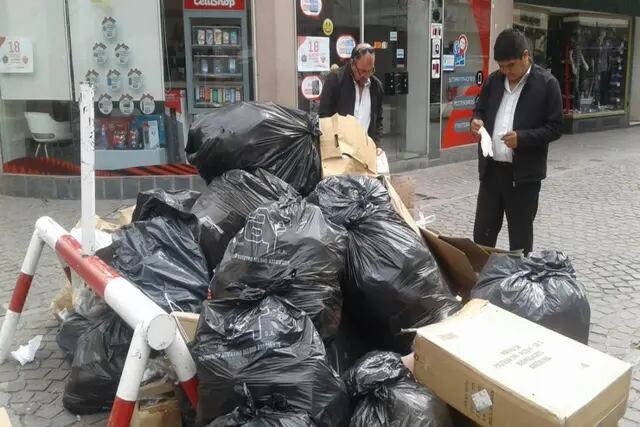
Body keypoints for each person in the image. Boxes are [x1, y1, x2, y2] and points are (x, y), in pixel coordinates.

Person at [471, 29, 562, 254]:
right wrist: (477, 121)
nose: (506, 71)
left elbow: (556, 127)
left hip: (523, 178)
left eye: (510, 65)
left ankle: (518, 284)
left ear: (525, 56)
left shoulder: (547, 84)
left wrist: (522, 139)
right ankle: (479, 281)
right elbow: (479, 109)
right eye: (501, 66)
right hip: (492, 172)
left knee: (520, 240)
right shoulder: (494, 81)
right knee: (482, 234)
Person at [319, 43, 384, 143]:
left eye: (370, 71)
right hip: (340, 150)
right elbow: (324, 118)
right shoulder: (335, 80)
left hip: (366, 150)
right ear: (352, 64)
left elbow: (378, 120)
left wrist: (377, 145)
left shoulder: (376, 86)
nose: (366, 76)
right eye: (362, 71)